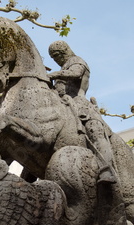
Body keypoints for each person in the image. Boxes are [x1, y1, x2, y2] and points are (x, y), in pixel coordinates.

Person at [47, 41, 117, 184]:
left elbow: (75, 73)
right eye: (53, 58)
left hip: (79, 102)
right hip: (62, 102)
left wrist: (54, 74)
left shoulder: (77, 61)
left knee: (95, 131)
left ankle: (107, 169)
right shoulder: (64, 67)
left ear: (64, 51)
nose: (55, 60)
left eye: (56, 56)